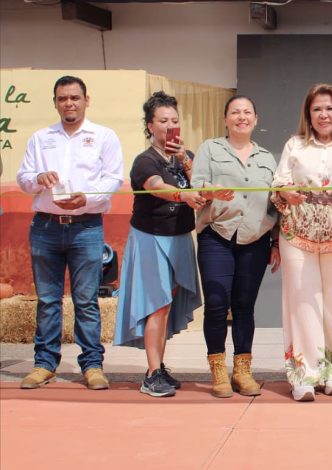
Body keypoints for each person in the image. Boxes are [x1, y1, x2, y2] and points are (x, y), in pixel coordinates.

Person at [16, 76, 123, 390]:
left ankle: (92, 365)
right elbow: (23, 179)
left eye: (74, 98)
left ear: (86, 100)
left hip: (86, 226)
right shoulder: (40, 138)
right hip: (45, 227)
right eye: (62, 99)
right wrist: (38, 177)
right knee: (48, 300)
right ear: (55, 102)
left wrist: (86, 198)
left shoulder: (103, 136)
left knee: (86, 301)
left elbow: (113, 178)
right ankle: (44, 364)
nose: (69, 104)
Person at [271, 83, 332, 402]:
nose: (324, 115)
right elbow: (277, 184)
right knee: (302, 304)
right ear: (308, 114)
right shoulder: (294, 145)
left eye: (329, 108)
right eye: (317, 109)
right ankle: (305, 376)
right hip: (298, 233)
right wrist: (284, 192)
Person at [113, 91, 208, 398]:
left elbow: (201, 184)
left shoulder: (184, 157)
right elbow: (155, 187)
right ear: (150, 125)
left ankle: (159, 365)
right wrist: (182, 195)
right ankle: (152, 373)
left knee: (167, 304)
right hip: (151, 238)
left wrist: (184, 159)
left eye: (175, 120)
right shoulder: (145, 160)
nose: (170, 126)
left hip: (180, 236)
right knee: (158, 303)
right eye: (163, 120)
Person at [190, 96, 280, 398]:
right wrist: (210, 192)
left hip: (255, 239)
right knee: (216, 303)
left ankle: (243, 371)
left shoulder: (267, 158)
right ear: (226, 119)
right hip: (217, 234)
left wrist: (276, 242)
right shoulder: (210, 149)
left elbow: (276, 204)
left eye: (247, 113)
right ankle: (218, 370)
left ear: (256, 119)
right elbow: (196, 189)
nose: (241, 117)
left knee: (244, 307)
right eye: (235, 112)